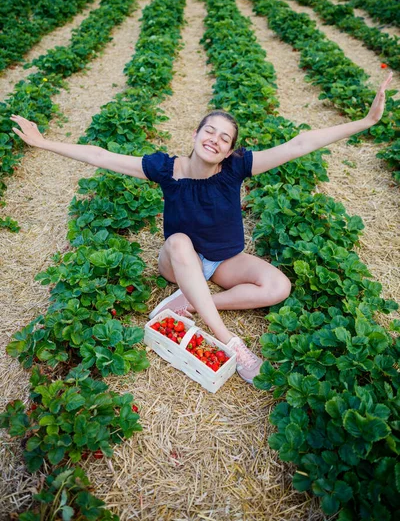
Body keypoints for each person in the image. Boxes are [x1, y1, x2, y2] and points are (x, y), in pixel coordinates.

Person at [10, 72, 392, 385]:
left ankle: (189, 303)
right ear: (195, 135)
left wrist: (368, 121)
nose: (215, 140)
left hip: (224, 261)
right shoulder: (165, 169)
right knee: (177, 240)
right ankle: (230, 342)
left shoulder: (236, 170)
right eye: (210, 131)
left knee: (279, 286)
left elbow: (301, 142)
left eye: (225, 138)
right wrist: (44, 144)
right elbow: (100, 155)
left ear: (229, 152)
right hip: (178, 261)